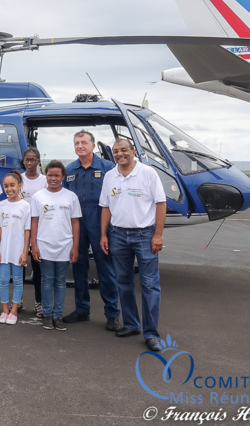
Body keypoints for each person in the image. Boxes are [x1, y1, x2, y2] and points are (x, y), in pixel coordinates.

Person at [99, 138, 166, 352]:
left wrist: (158, 235)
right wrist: (103, 234)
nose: (120, 154)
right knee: (123, 282)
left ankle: (151, 333)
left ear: (133, 151)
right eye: (116, 151)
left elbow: (161, 203)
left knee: (150, 285)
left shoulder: (148, 173)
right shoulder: (110, 176)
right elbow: (105, 207)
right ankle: (131, 324)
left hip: (145, 235)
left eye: (124, 150)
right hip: (117, 235)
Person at [63, 130, 121, 331]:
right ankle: (82, 309)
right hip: (77, 226)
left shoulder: (108, 168)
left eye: (84, 142)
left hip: (101, 226)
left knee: (106, 269)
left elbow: (116, 197)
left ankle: (112, 314)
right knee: (79, 267)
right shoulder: (69, 170)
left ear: (93, 146)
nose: (80, 146)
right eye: (76, 143)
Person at [31, 160, 81, 331]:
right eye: (50, 175)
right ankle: (47, 315)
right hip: (44, 245)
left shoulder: (71, 196)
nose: (53, 178)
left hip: (65, 245)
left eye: (57, 175)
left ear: (63, 177)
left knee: (60, 281)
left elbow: (75, 223)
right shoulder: (38, 196)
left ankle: (57, 315)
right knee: (46, 280)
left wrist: (75, 247)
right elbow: (34, 222)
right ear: (46, 176)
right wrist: (34, 245)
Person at [0, 171, 31, 325]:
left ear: (19, 186)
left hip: (18, 251)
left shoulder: (25, 205)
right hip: (4, 250)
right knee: (3, 280)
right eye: (6, 186)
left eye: (12, 185)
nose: (9, 189)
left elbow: (27, 231)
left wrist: (25, 252)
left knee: (17, 280)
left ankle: (14, 311)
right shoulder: (1, 205)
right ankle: (5, 310)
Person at [21, 148, 47, 318]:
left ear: (38, 161)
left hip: (39, 229)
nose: (29, 163)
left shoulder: (44, 180)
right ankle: (18, 300)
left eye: (33, 160)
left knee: (38, 269)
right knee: (19, 267)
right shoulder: (18, 178)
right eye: (27, 160)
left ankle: (39, 302)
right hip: (20, 230)